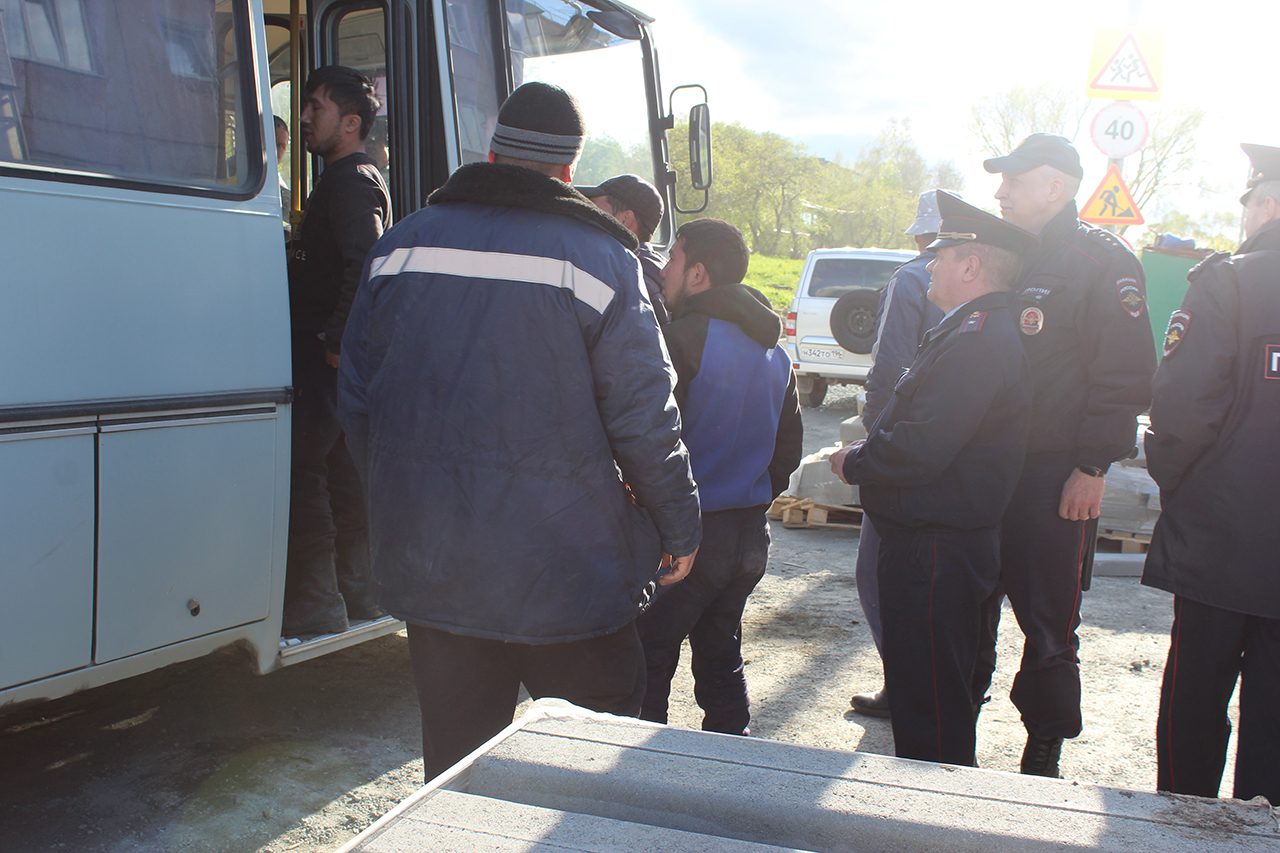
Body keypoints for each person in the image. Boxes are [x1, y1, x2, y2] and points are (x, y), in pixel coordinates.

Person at [336, 82, 702, 779]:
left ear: (492, 153)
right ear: (569, 170)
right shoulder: (603, 261)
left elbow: (357, 401)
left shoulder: (400, 245)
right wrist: (679, 527)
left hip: (439, 573)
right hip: (570, 579)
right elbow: (645, 418)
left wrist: (404, 501)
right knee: (591, 775)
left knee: (460, 774)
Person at [830, 190, 1036, 767]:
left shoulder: (978, 340)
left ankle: (934, 808)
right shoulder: (971, 330)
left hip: (936, 548)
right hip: (937, 542)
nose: (928, 268)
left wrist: (855, 461)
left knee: (931, 708)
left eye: (940, 257)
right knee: (930, 695)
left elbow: (922, 445)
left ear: (971, 266)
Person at [974, 134, 1157, 776]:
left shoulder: (1101, 260)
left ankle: (1044, 747)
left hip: (1054, 474)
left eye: (1014, 180)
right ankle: (956, 727)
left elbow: (1125, 374)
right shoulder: (1004, 252)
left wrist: (1093, 465)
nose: (1001, 192)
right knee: (969, 604)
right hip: (986, 467)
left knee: (1048, 619)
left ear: (1055, 186)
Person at [1142, 143, 1280, 805]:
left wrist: (1183, 491)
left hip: (1221, 538)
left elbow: (1178, 412)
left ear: (1267, 204)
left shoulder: (1230, 282)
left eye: (1249, 203)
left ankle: (1180, 825)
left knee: (1196, 699)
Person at [636, 218, 803, 735]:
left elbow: (649, 439)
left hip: (688, 538)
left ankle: (643, 772)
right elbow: (788, 453)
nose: (664, 270)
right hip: (749, 536)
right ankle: (735, 757)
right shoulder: (775, 352)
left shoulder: (679, 340)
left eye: (673, 258)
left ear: (698, 274)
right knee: (720, 651)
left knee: (648, 659)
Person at [281, 66, 391, 637]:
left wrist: (337, 342)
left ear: (350, 123)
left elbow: (365, 260)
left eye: (316, 108)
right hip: (330, 351)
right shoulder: (350, 178)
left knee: (304, 470)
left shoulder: (350, 182)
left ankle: (318, 601)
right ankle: (359, 591)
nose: (304, 118)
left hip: (325, 354)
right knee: (340, 469)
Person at [849, 190, 946, 720]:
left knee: (878, 570)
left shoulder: (910, 279)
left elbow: (888, 368)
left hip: (904, 447)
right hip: (959, 450)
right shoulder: (1000, 280)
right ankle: (951, 680)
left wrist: (874, 443)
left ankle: (904, 685)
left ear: (919, 235)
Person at [579, 174, 671, 325]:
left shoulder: (629, 278)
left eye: (596, 210)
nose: (588, 216)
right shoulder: (658, 267)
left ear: (625, 219)